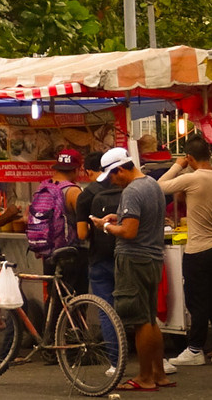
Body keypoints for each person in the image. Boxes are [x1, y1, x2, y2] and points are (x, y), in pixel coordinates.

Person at [90, 147, 174, 391]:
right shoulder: (152, 184)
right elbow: (141, 220)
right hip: (153, 258)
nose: (112, 181)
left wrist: (103, 227)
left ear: (120, 169)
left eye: (112, 176)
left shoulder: (132, 191)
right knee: (150, 318)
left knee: (140, 321)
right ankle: (159, 374)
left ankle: (145, 377)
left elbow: (129, 232)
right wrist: (117, 218)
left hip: (134, 258)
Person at [159, 138, 212, 367]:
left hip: (197, 249)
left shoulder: (192, 178)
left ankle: (195, 350)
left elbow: (159, 185)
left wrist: (177, 165)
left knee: (197, 301)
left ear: (190, 158)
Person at [74, 150, 123, 370]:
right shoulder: (124, 186)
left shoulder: (86, 195)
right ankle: (149, 360)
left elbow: (82, 234)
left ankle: (115, 362)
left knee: (106, 310)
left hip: (99, 257)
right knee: (134, 308)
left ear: (88, 171)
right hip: (125, 254)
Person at [35, 149, 87, 297]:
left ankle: (51, 321)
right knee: (74, 301)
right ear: (76, 169)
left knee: (53, 299)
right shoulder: (73, 191)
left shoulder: (42, 187)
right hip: (70, 255)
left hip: (48, 253)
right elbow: (84, 223)